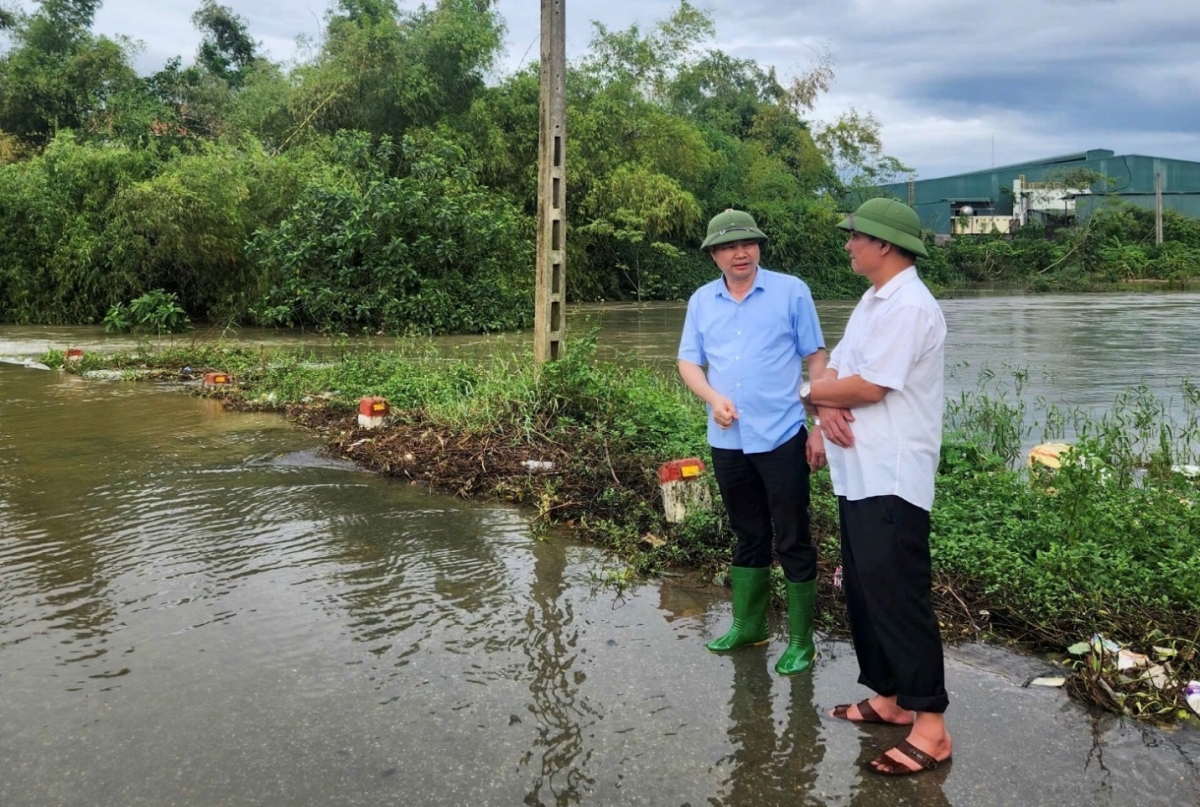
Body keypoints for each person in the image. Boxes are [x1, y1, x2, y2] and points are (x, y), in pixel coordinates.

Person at [800, 197, 951, 775]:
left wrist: (810, 397)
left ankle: (931, 726)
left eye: (855, 236)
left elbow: (870, 388)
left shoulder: (910, 306)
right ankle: (889, 699)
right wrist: (823, 407)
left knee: (898, 596)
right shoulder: (873, 300)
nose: (848, 244)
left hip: (892, 475)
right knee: (865, 591)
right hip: (857, 472)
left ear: (884, 244)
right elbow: (837, 369)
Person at [678, 208, 827, 676]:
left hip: (782, 435)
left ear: (758, 248)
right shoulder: (702, 301)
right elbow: (688, 363)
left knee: (793, 536)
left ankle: (802, 641)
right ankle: (750, 624)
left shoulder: (791, 291)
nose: (739, 253)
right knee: (747, 532)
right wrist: (712, 398)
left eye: (747, 243)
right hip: (728, 440)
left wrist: (820, 423)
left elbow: (817, 358)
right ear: (714, 255)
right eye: (728, 246)